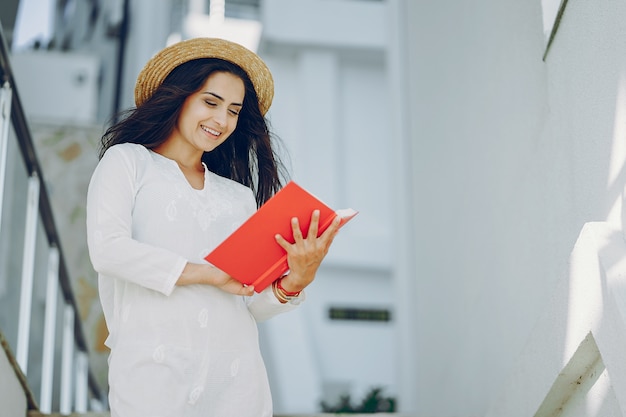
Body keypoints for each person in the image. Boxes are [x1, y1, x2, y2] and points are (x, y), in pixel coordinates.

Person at [86, 37, 341, 417]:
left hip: (236, 384)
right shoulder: (127, 163)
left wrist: (296, 280)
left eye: (234, 111)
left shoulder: (238, 197)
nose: (221, 120)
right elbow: (107, 251)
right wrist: (208, 274)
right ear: (179, 97)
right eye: (210, 102)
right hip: (153, 378)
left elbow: (249, 303)